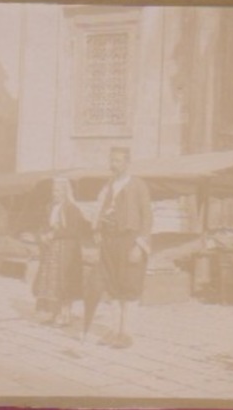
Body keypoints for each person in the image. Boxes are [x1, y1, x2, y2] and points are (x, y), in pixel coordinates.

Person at [93, 146, 153, 348]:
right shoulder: (108, 186)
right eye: (112, 160)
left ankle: (127, 333)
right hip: (110, 242)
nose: (113, 165)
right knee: (112, 285)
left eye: (118, 161)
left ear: (127, 163)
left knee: (130, 286)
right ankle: (113, 330)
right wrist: (98, 231)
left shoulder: (138, 185)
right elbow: (100, 210)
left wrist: (140, 245)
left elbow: (147, 216)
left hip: (130, 240)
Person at [32, 177, 88, 326]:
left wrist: (54, 234)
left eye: (58, 191)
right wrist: (42, 235)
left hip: (66, 252)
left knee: (65, 282)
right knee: (51, 284)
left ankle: (65, 315)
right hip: (51, 251)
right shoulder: (49, 207)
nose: (55, 194)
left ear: (65, 192)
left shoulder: (72, 209)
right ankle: (53, 313)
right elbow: (43, 224)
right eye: (53, 191)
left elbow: (74, 230)